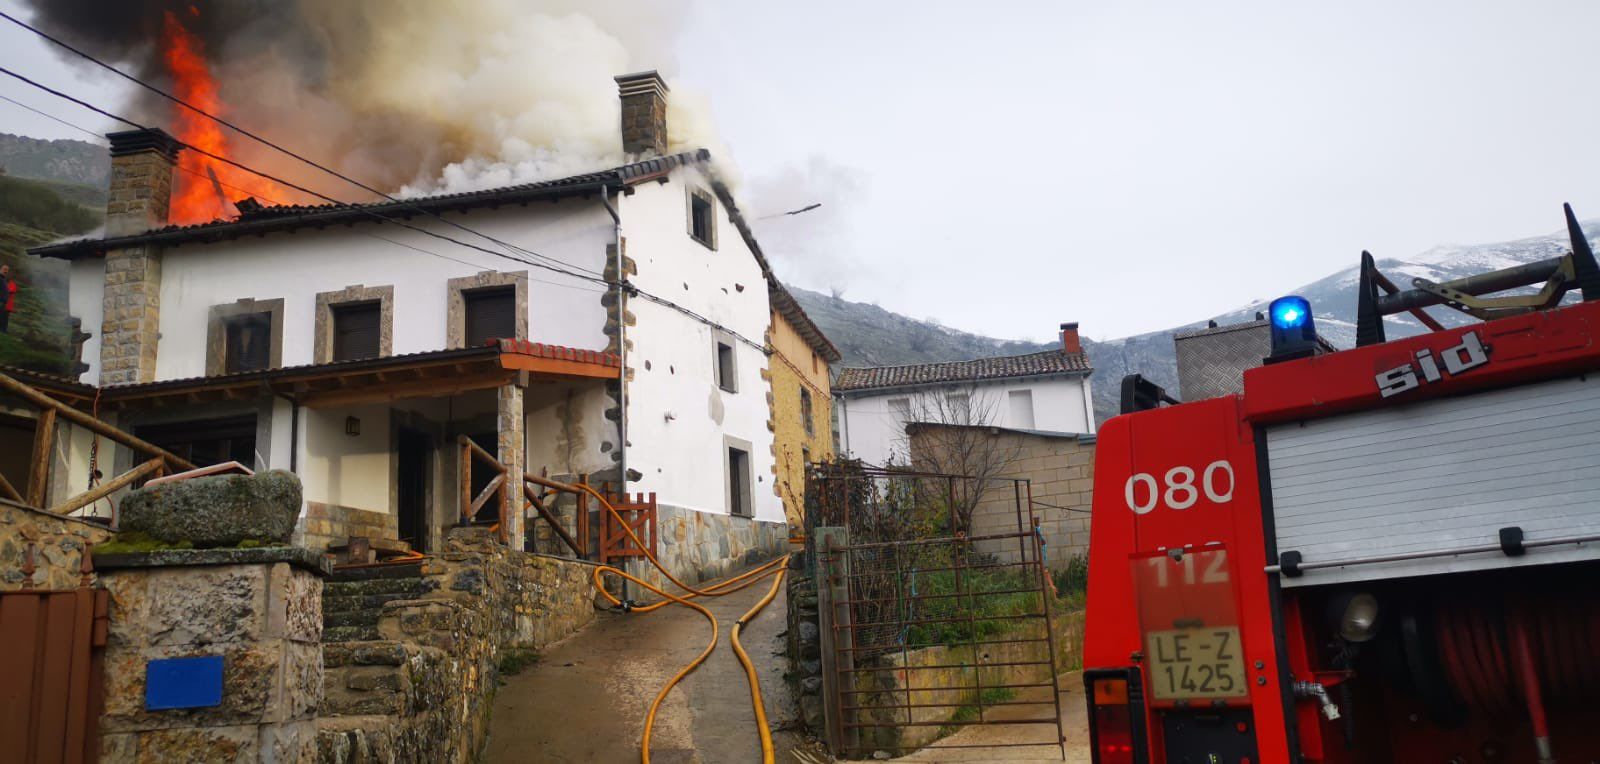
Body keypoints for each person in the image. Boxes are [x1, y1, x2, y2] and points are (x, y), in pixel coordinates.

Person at [0, 264, 15, 334]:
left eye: (7, 270)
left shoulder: (4, 279)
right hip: (1, 301)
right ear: (0, 269)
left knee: (3, 316)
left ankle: (3, 330)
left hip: (4, 302)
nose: (5, 271)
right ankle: (3, 330)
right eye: (4, 269)